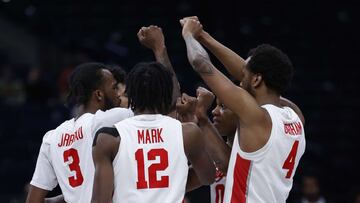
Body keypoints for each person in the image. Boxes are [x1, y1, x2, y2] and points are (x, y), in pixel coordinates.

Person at [181, 17, 306, 203]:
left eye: (244, 75)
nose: (239, 79)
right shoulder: (294, 116)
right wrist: (204, 37)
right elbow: (247, 73)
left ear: (256, 80)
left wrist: (189, 35)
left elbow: (200, 63)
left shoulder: (256, 116)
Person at [91, 62, 215, 203]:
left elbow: (100, 201)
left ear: (130, 94)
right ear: (168, 95)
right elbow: (208, 177)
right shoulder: (188, 132)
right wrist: (171, 182)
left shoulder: (108, 138)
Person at [26, 63, 134, 203]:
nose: (118, 94)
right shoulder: (106, 119)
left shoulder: (52, 137)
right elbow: (156, 112)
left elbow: (33, 200)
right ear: (99, 94)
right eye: (114, 88)